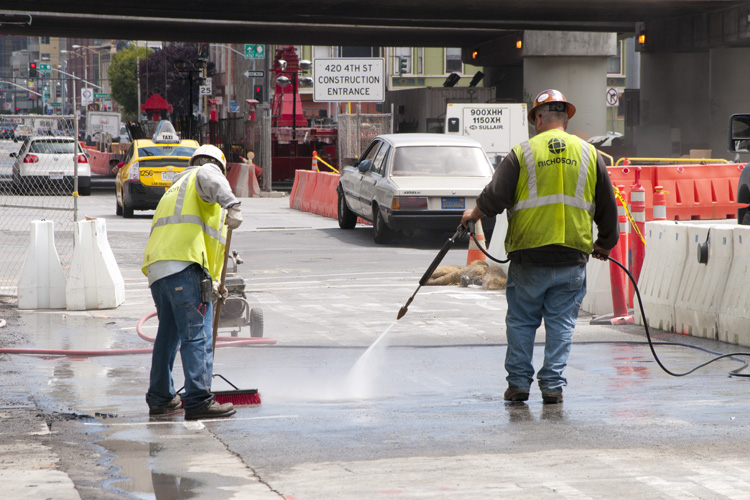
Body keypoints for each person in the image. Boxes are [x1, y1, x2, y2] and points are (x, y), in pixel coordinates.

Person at [461, 89, 618, 404]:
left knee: (521, 321)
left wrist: (473, 214)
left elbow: (495, 196)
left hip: (530, 255)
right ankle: (552, 387)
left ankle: (519, 384)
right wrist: (604, 244)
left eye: (535, 118)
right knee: (561, 324)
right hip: (572, 256)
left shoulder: (522, 153)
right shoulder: (590, 155)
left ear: (539, 117)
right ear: (565, 118)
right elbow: (607, 206)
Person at [142, 144, 243, 420]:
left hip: (159, 270)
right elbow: (211, 175)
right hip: (184, 266)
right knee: (197, 334)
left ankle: (160, 397)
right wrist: (232, 204)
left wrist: (216, 282)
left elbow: (213, 244)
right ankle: (198, 399)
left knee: (168, 335)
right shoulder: (204, 172)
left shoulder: (175, 188)